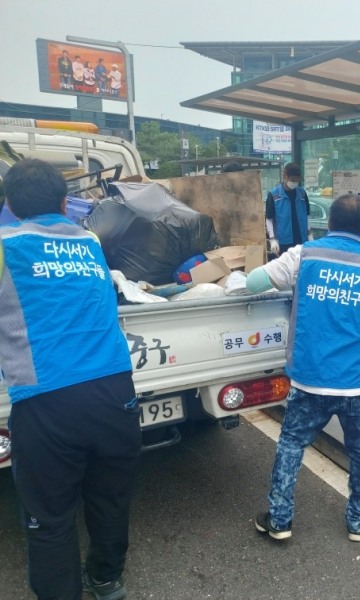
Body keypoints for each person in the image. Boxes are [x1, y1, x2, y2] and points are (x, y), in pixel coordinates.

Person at [0, 159, 140, 600]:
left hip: (47, 402)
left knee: (50, 517)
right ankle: (106, 579)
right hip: (116, 392)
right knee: (110, 496)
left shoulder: (5, 244)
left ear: (8, 204)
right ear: (65, 203)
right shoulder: (89, 241)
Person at [246, 193, 360, 542]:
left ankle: (280, 519)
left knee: (291, 444)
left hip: (310, 380)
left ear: (327, 223)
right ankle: (358, 522)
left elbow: (255, 281)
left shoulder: (304, 255)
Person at [265, 162, 312, 257]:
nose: (295, 182)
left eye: (297, 180)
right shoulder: (274, 195)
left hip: (301, 239)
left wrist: (309, 233)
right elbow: (269, 218)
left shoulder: (302, 194)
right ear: (285, 177)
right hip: (283, 242)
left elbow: (307, 215)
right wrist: (272, 239)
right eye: (293, 179)